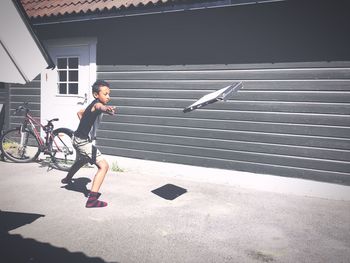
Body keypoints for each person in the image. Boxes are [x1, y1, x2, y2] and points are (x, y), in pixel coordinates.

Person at [61, 80, 116, 208]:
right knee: (104, 166)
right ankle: (92, 200)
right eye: (105, 94)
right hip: (82, 142)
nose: (108, 96)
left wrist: (86, 128)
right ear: (96, 95)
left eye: (109, 94)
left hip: (76, 138)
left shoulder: (91, 105)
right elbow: (99, 108)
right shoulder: (97, 105)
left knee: (81, 161)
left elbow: (80, 113)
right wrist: (106, 108)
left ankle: (68, 179)